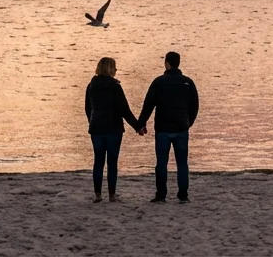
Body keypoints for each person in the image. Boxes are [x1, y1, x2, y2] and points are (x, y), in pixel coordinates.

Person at [138, 51, 199, 203]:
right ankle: (183, 195)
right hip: (181, 128)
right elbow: (195, 105)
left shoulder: (159, 82)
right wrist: (188, 122)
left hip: (163, 128)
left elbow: (148, 104)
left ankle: (161, 195)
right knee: (182, 163)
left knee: (161, 163)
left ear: (167, 63)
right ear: (178, 63)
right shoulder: (188, 82)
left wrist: (141, 123)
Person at [85, 57, 143, 202]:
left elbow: (88, 108)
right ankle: (111, 195)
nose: (116, 70)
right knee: (112, 162)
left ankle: (98, 195)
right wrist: (137, 126)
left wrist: (92, 122)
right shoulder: (115, 87)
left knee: (98, 161)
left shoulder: (91, 86)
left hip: (96, 128)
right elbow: (124, 110)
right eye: (114, 67)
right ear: (110, 69)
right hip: (113, 129)